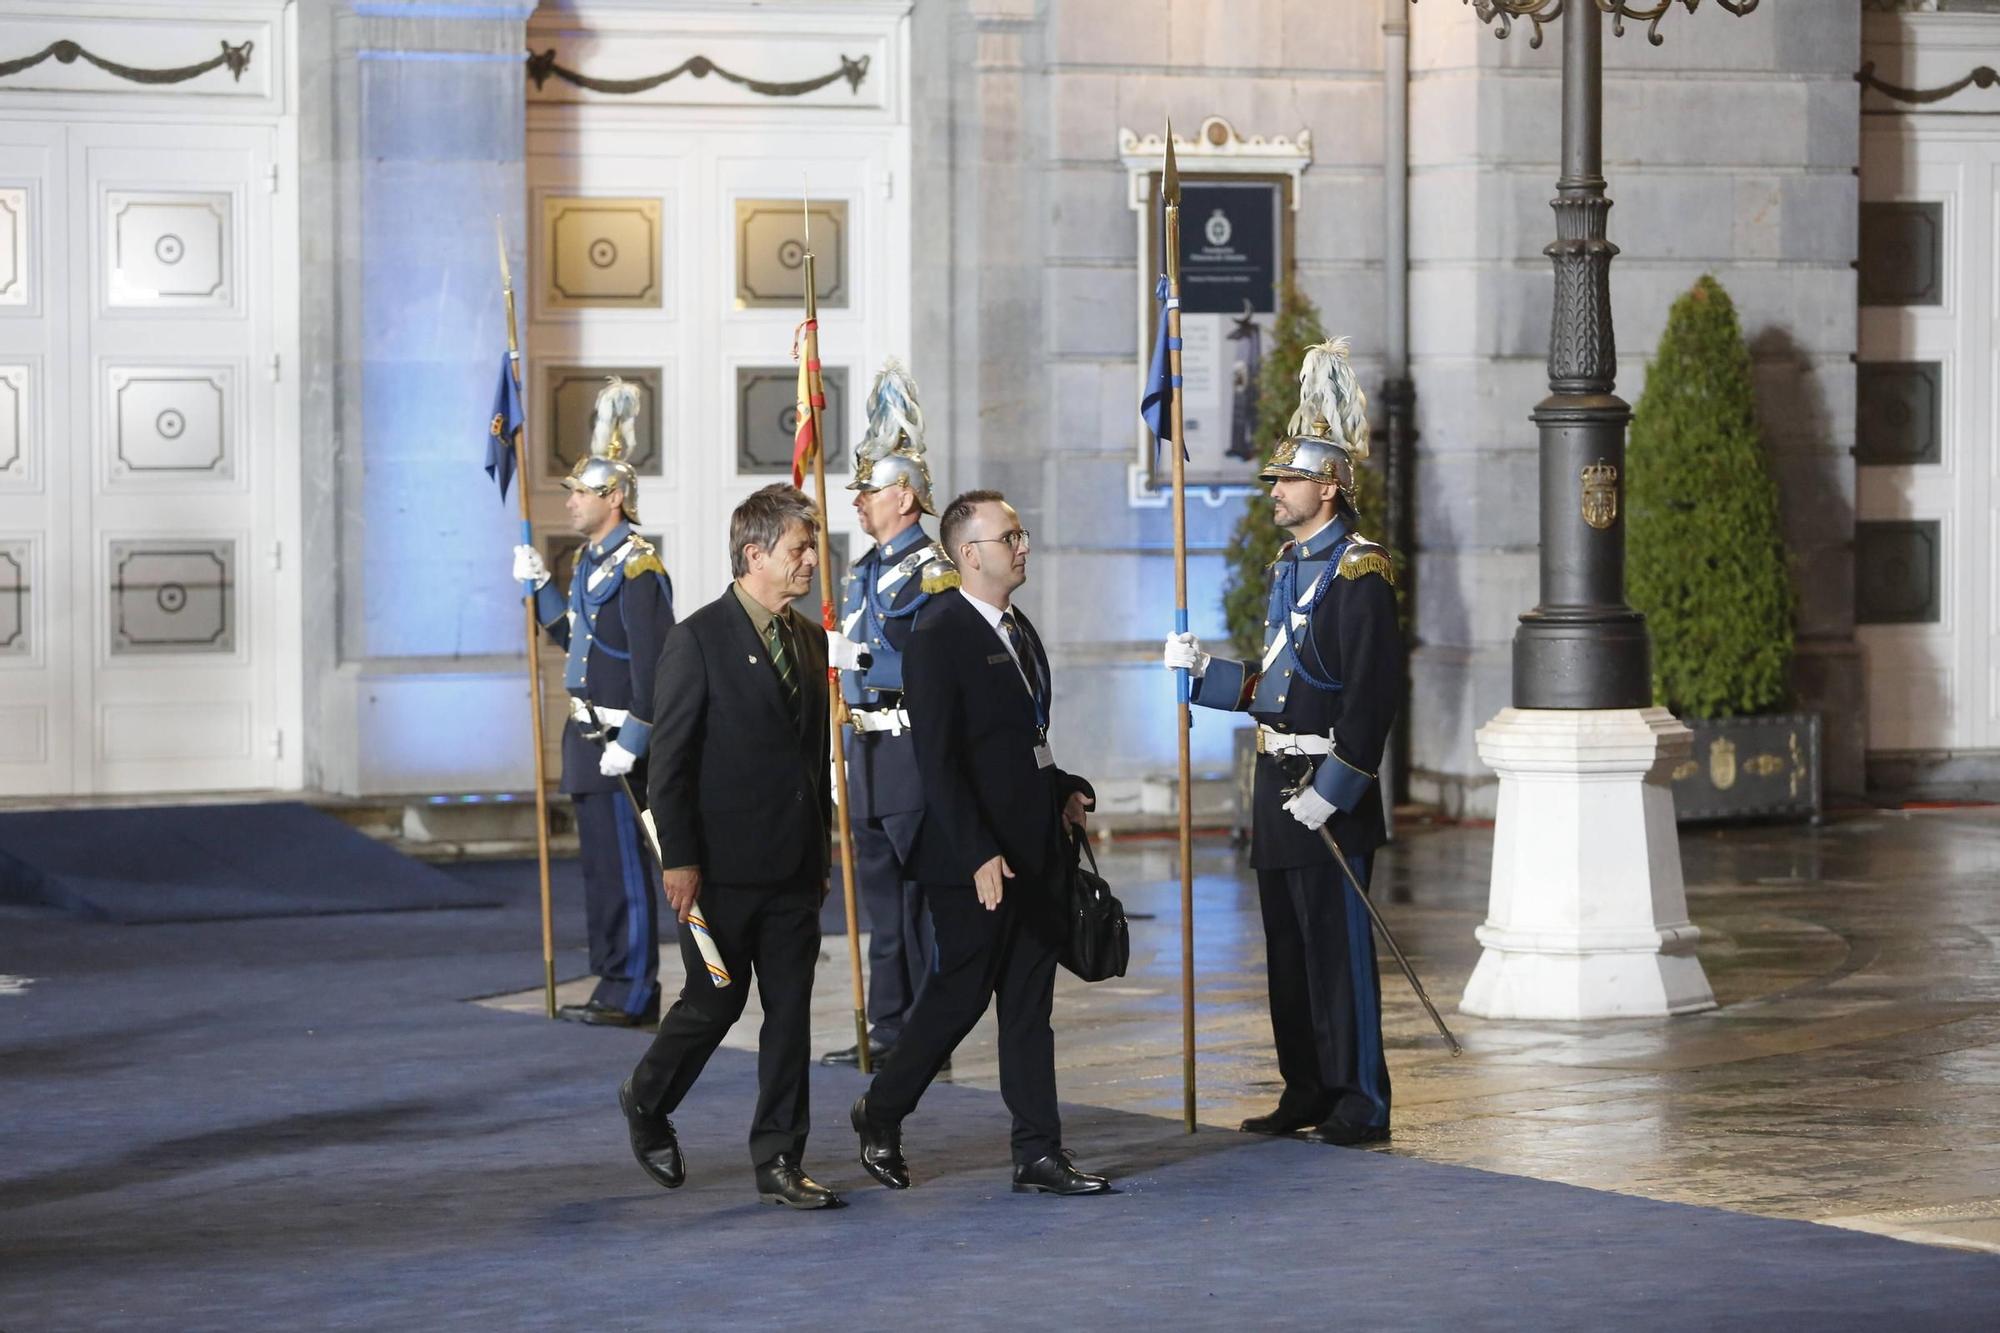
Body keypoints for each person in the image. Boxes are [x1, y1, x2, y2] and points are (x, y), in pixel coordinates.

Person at [1163, 338, 1402, 1147]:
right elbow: (1277, 684)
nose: (1275, 490)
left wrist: (1333, 790)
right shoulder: (1287, 567)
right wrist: (1204, 675)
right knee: (1289, 953)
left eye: (1289, 478)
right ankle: (1306, 1085)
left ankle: (1360, 1098)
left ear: (1328, 487)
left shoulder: (1362, 574)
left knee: (1339, 954)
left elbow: (1371, 699)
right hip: (1276, 782)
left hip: (1324, 790)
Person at [850, 489, 1111, 1197]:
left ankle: (1038, 1152)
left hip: (1033, 849)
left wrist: (1066, 787)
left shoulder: (1017, 627)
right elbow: (938, 759)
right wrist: (974, 851)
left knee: (1029, 1006)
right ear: (970, 553)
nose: (1023, 546)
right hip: (974, 860)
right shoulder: (938, 632)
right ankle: (879, 1110)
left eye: (1022, 533)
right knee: (957, 999)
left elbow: (1025, 739)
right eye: (1010, 536)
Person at [617, 483, 842, 1210]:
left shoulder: (808, 639)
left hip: (793, 871)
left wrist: (823, 854)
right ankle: (647, 1098)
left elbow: (812, 765)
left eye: (811, 546)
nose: (811, 560)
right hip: (716, 871)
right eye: (799, 548)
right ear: (755, 554)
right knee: (715, 998)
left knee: (790, 1011)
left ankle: (779, 1157)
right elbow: (669, 763)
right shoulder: (699, 637)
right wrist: (678, 859)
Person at [512, 378, 673, 1028]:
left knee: (628, 876)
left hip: (620, 743)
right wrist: (540, 589)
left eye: (581, 492)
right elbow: (572, 641)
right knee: (600, 873)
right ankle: (610, 979)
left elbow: (656, 666)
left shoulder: (639, 569)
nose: (572, 501)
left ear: (616, 498)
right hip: (584, 739)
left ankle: (635, 986)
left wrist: (636, 739)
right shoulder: (588, 565)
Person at [818, 359, 957, 1070]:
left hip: (907, 753)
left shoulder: (933, 571)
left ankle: (925, 1033)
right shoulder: (863, 569)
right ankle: (887, 1025)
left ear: (904, 496)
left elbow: (938, 666)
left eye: (868, 490)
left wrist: (865, 662)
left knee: (920, 908)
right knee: (882, 913)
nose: (858, 502)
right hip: (867, 754)